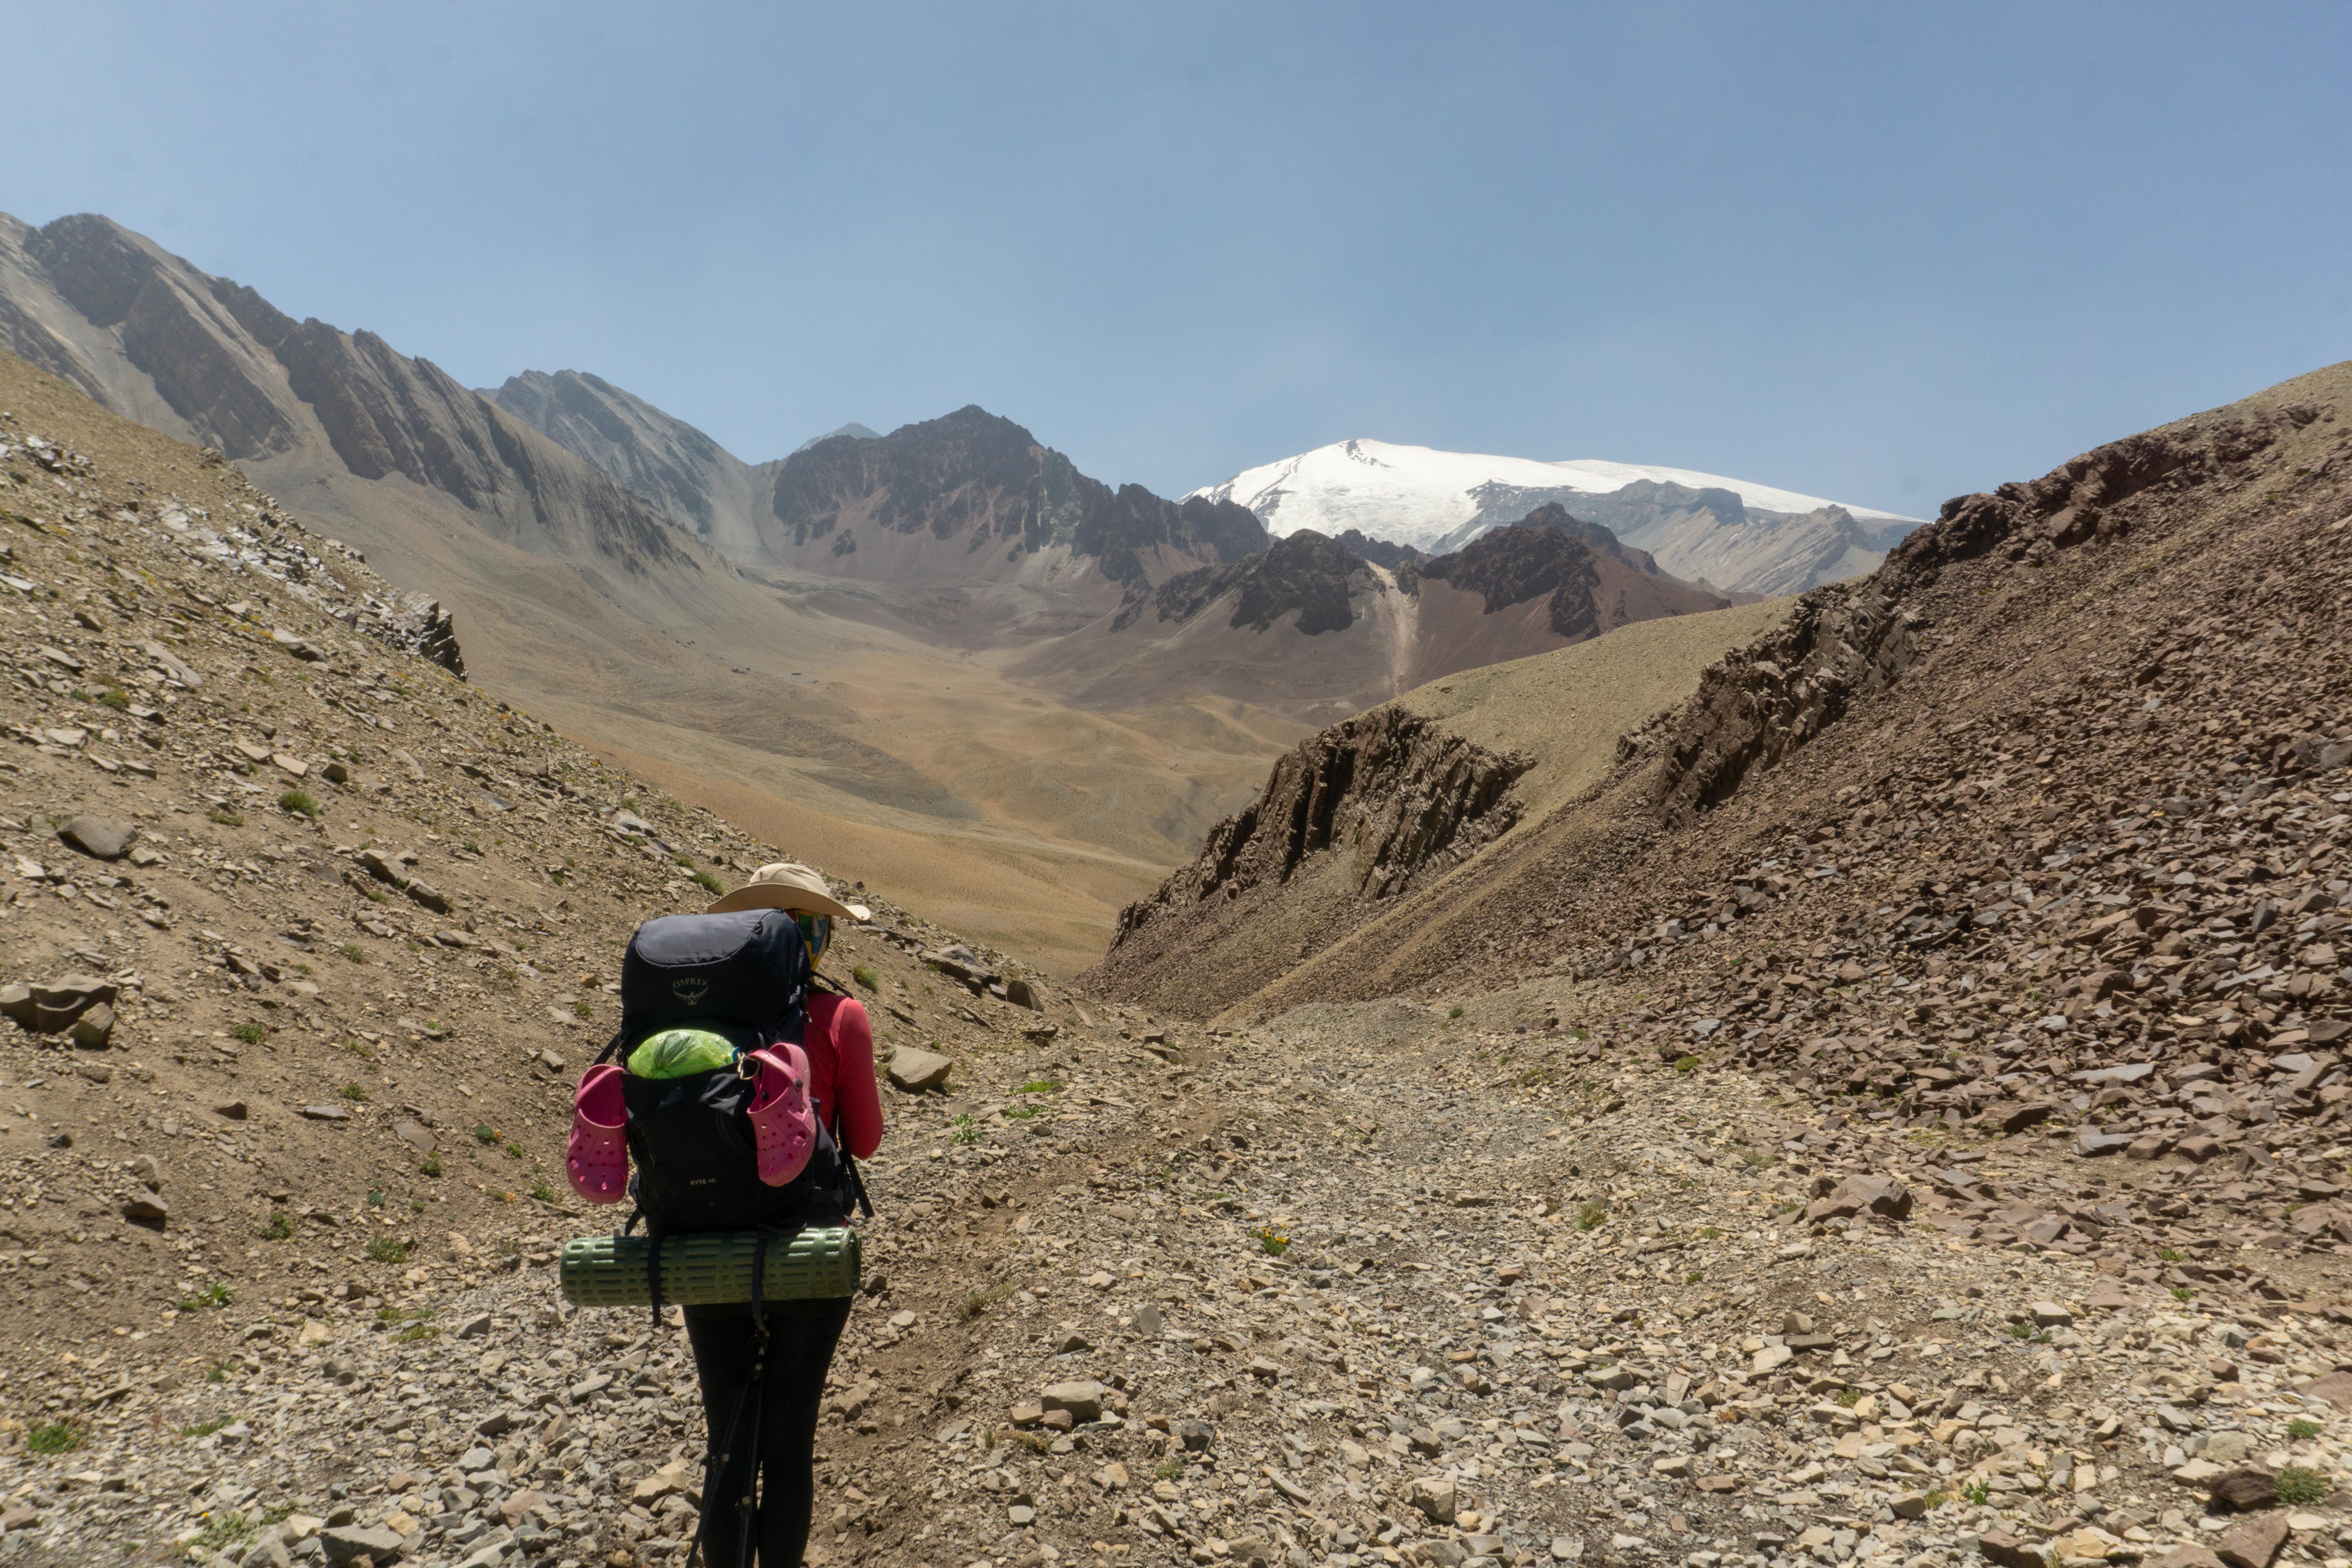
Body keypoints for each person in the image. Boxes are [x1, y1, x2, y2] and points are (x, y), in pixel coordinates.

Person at [688, 861, 885, 1566]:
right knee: (789, 1440)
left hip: (703, 1249)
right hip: (807, 1252)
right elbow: (864, 1140)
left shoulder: (698, 1023)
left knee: (727, 1443)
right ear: (813, 938)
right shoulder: (841, 1017)